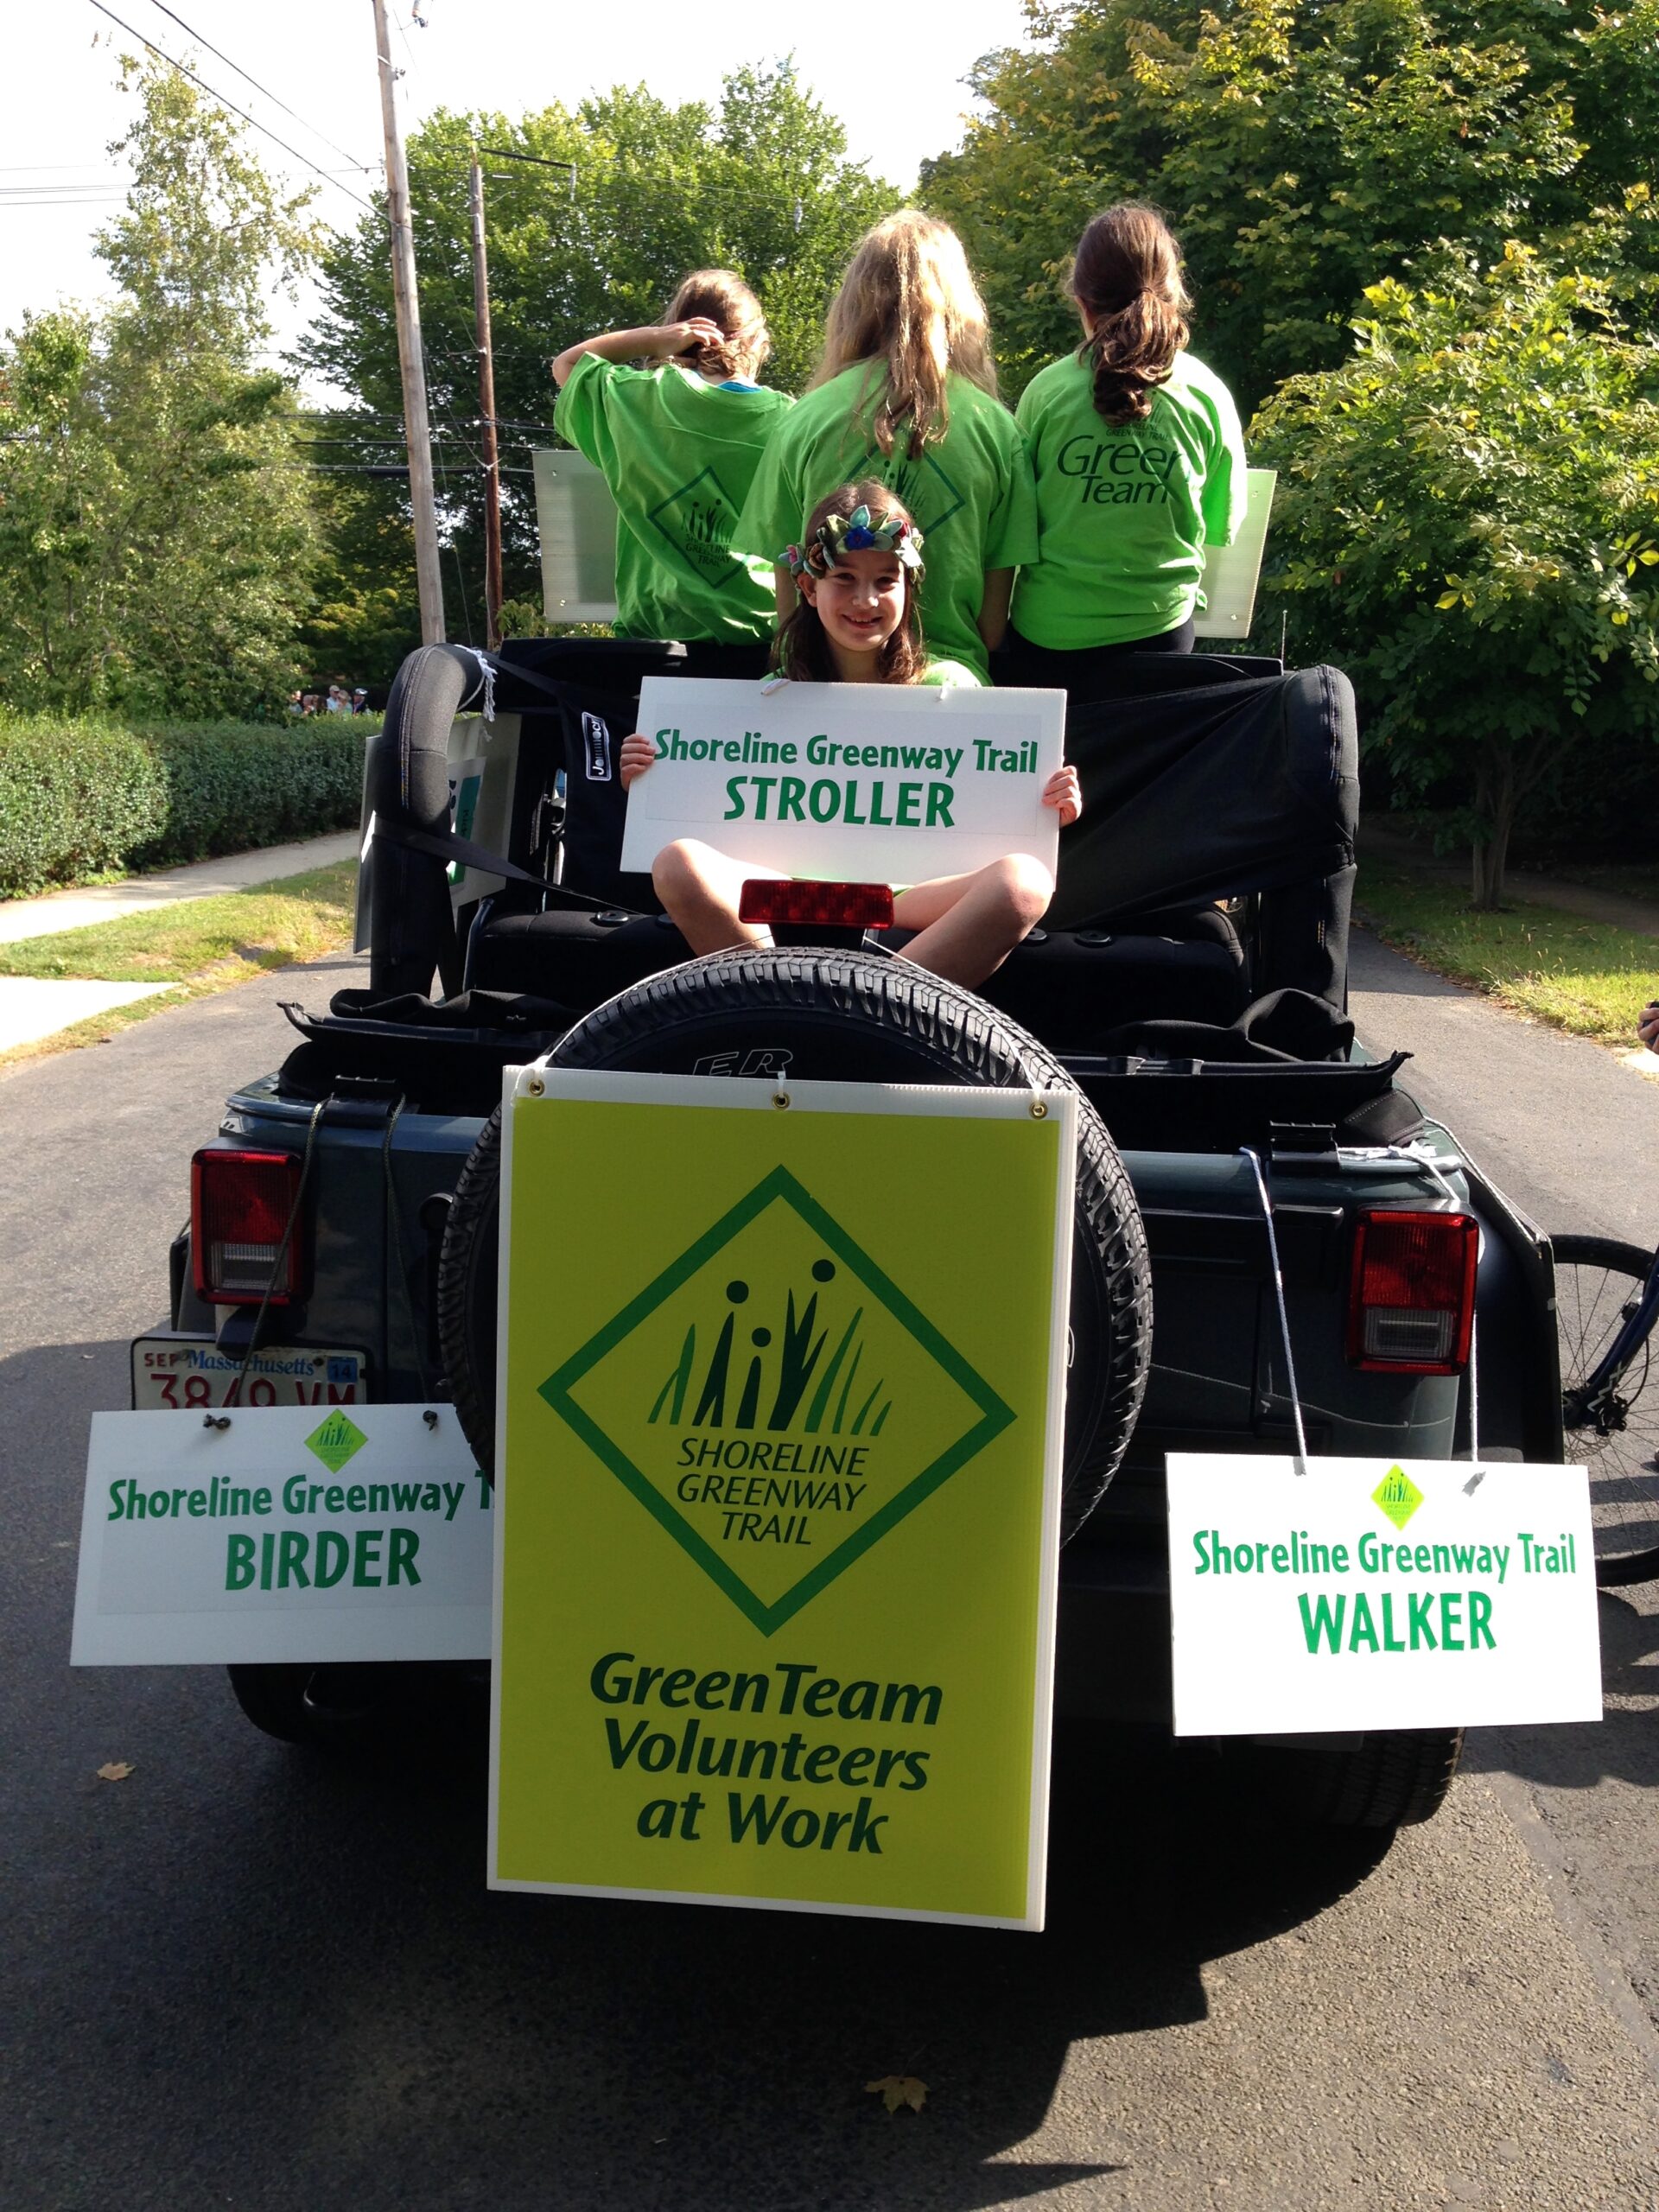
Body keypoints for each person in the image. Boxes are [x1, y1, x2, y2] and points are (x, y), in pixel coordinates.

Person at [620, 482, 1079, 989]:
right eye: (844, 578)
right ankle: (780, 997)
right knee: (677, 864)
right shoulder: (771, 695)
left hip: (906, 896)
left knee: (1024, 883)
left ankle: (874, 1006)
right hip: (785, 888)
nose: (866, 599)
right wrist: (654, 775)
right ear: (809, 587)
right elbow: (710, 799)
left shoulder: (953, 688)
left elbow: (996, 803)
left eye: (886, 580)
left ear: (908, 588)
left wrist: (1048, 803)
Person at [734, 212, 1037, 687]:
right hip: (948, 694)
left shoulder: (802, 421)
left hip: (816, 690)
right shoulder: (997, 430)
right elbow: (993, 627)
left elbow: (788, 608)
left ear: (853, 304)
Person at [1004, 203, 1248, 688]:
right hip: (1163, 637)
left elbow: (1014, 521)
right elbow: (1220, 524)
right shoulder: (1208, 395)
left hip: (1048, 640)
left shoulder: (1046, 393)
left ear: (1082, 303)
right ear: (1172, 296)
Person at [550, 270, 793, 671]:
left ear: (677, 331)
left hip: (655, 644)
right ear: (756, 342)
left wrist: (651, 339)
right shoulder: (790, 419)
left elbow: (567, 364)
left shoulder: (634, 397)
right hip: (761, 638)